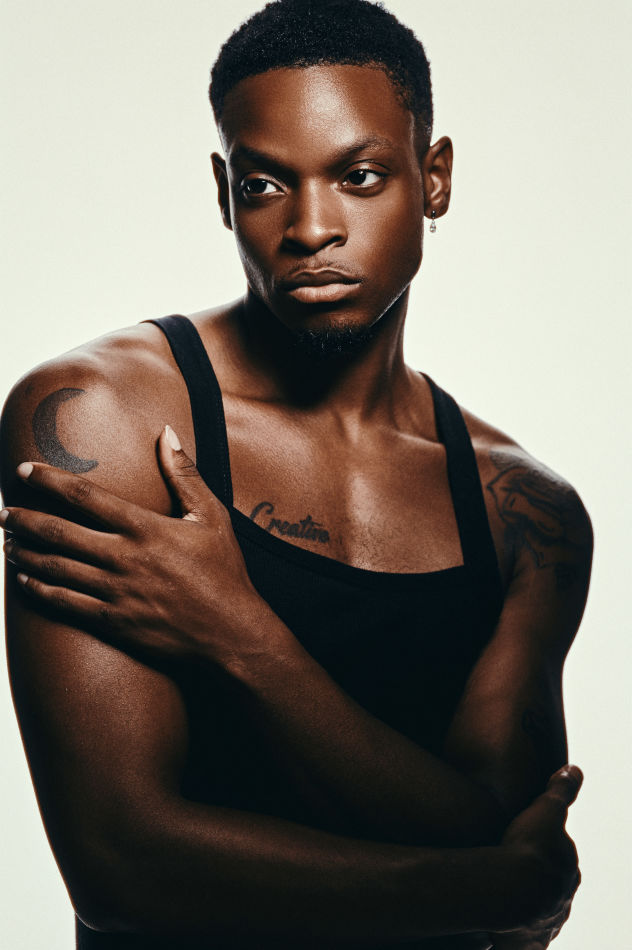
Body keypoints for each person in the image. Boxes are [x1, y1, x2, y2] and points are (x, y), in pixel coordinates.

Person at [0, 1, 592, 948]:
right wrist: (474, 893)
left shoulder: (524, 512)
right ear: (223, 193)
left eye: (360, 177)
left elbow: (494, 823)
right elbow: (121, 864)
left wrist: (241, 638)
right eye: (266, 184)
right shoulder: (103, 419)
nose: (312, 228)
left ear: (434, 179)